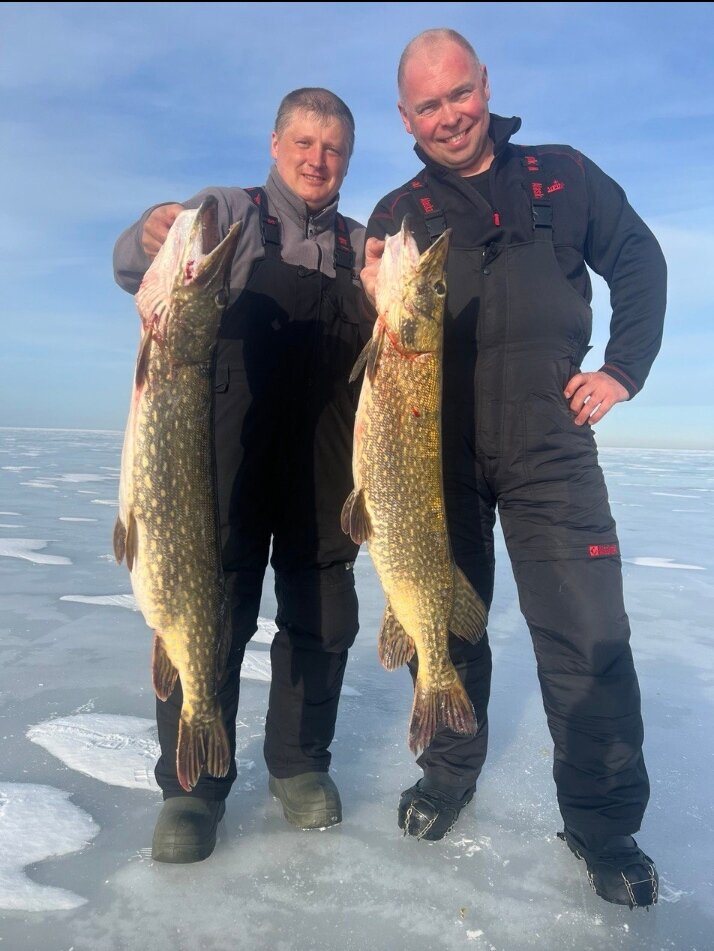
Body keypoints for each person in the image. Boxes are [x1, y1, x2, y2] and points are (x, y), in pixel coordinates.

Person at [361, 29, 666, 908]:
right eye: (430, 105)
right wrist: (365, 292)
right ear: (406, 117)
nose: (451, 115)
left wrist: (622, 369)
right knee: (441, 625)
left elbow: (639, 260)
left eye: (461, 93)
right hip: (433, 457)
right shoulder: (397, 213)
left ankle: (604, 824)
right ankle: (447, 771)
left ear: (484, 84)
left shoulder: (563, 175)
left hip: (550, 446)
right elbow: (375, 345)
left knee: (587, 639)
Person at [113, 87, 367, 863]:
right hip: (221, 456)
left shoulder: (362, 246)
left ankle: (298, 764)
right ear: (275, 143)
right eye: (304, 142)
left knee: (323, 617)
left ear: (347, 159)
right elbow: (135, 264)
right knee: (207, 606)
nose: (317, 160)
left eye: (333, 149)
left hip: (321, 464)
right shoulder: (229, 211)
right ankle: (191, 788)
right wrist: (152, 230)